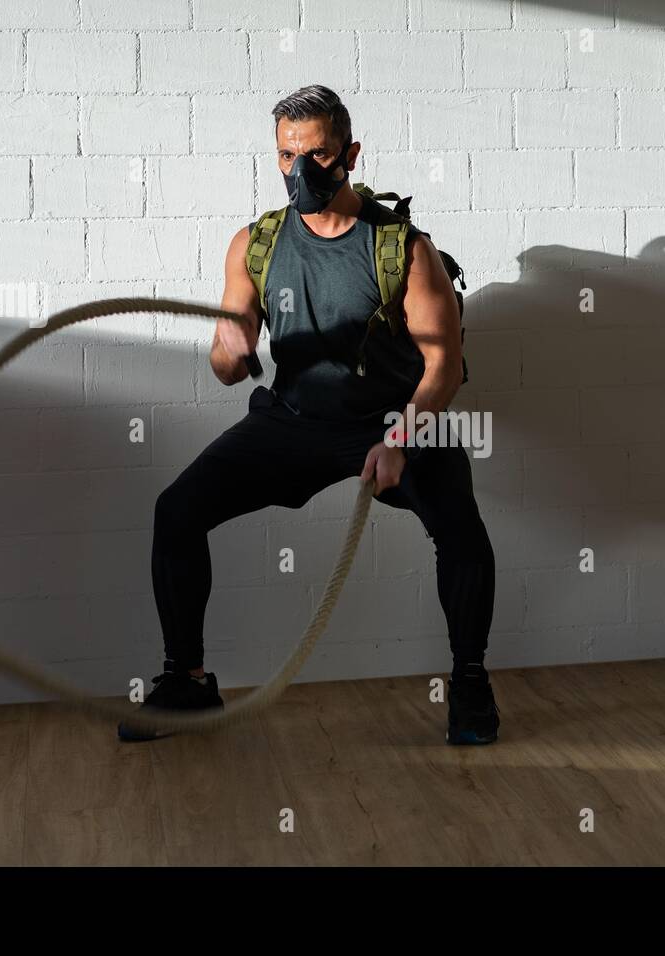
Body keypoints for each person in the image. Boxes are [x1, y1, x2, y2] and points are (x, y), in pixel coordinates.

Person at [118, 85, 500, 745]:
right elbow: (226, 362)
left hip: (389, 423)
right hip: (292, 423)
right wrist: (229, 351)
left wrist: (403, 438)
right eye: (288, 156)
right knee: (175, 511)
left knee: (460, 527)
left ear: (350, 154)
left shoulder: (404, 249)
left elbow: (445, 368)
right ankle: (188, 680)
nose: (302, 172)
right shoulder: (256, 244)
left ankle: (469, 682)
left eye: (318, 155)